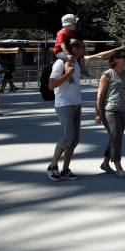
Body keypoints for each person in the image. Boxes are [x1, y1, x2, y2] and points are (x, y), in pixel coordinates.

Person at [95, 50, 125, 178]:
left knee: (115, 138)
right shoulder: (107, 75)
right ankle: (118, 167)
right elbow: (100, 95)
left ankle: (105, 163)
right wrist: (98, 113)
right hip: (110, 111)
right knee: (116, 137)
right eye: (123, 57)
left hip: (124, 110)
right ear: (115, 60)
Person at [47, 39, 84, 181]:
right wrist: (68, 74)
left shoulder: (76, 63)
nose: (83, 50)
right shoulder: (60, 63)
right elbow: (51, 85)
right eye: (81, 47)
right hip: (64, 104)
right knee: (66, 138)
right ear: (74, 49)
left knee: (74, 140)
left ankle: (65, 169)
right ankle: (52, 166)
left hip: (76, 103)